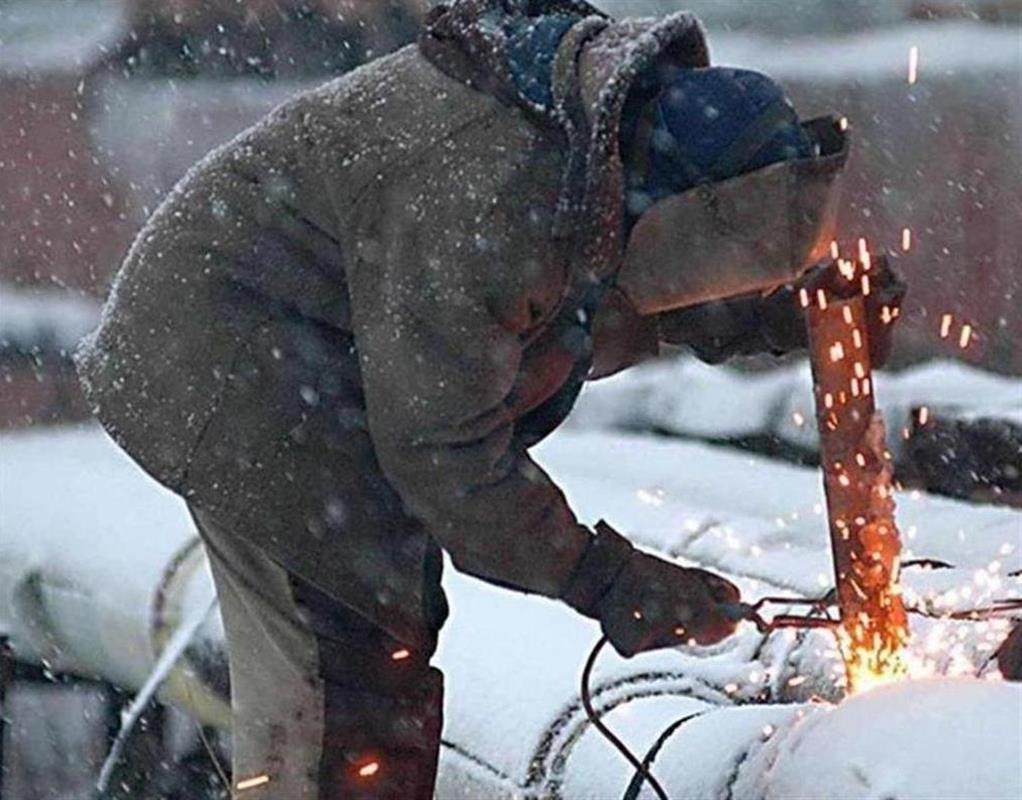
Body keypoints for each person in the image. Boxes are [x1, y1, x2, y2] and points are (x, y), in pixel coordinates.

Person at [76, 1, 903, 797]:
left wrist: (758, 312)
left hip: (327, 350)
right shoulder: (489, 189)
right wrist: (603, 576)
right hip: (233, 358)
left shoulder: (603, 155)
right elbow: (445, 451)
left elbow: (598, 295)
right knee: (350, 667)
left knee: (384, 637)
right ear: (670, 199)